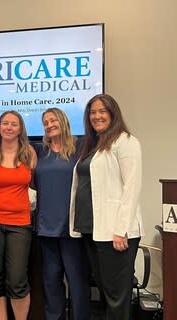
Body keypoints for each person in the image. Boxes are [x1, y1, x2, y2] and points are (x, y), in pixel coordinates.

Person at [69, 94, 144, 320]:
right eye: (93, 112)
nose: (97, 116)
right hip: (93, 230)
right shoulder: (92, 145)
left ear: (113, 113)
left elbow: (132, 187)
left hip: (116, 234)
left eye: (102, 111)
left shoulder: (126, 141)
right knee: (105, 294)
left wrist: (121, 230)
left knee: (116, 298)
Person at [33, 108, 90, 320]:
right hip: (45, 228)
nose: (49, 125)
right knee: (51, 283)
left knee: (77, 283)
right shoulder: (40, 151)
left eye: (53, 120)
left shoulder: (80, 149)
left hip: (72, 228)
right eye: (45, 122)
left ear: (63, 121)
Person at [0, 110, 37, 320]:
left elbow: (32, 185)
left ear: (20, 128)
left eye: (14, 124)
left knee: (17, 280)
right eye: (5, 123)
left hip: (20, 223)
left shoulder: (29, 153)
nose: (9, 127)